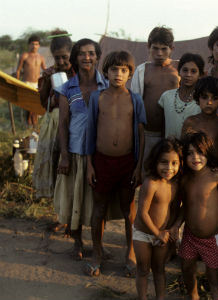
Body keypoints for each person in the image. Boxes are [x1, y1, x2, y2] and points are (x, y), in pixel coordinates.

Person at [85, 51, 146, 277]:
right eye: (113, 69)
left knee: (129, 211)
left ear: (130, 74)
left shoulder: (135, 99)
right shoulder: (97, 98)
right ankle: (97, 253)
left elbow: (141, 134)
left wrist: (139, 166)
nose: (118, 74)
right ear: (106, 72)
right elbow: (90, 132)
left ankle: (130, 253)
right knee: (98, 208)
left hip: (127, 162)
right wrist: (89, 165)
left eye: (123, 70)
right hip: (101, 161)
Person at [53, 39, 108, 260]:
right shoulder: (67, 88)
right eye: (82, 54)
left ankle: (98, 245)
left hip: (100, 153)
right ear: (75, 57)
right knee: (74, 199)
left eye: (91, 53)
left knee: (99, 203)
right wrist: (64, 156)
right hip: (75, 153)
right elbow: (63, 124)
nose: (87, 57)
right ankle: (77, 241)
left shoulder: (107, 85)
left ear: (97, 57)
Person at [177, 132, 218, 300]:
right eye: (189, 153)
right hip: (189, 236)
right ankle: (193, 296)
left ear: (208, 153)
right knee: (187, 270)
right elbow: (185, 207)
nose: (195, 157)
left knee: (214, 279)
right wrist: (175, 226)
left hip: (212, 239)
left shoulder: (215, 176)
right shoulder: (185, 179)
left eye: (200, 152)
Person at [182, 76, 218, 262]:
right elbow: (184, 149)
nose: (209, 102)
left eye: (214, 98)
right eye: (204, 97)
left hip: (216, 175)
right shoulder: (190, 122)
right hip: (194, 174)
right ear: (198, 99)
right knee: (192, 205)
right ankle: (190, 241)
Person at [33, 30, 74, 233]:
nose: (60, 61)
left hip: (71, 124)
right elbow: (42, 103)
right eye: (57, 58)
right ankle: (60, 215)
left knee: (68, 169)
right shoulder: (49, 73)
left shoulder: (78, 73)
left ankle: (69, 216)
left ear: (71, 55)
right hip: (52, 122)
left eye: (64, 57)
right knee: (56, 168)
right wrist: (47, 82)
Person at [133, 138, 182, 300]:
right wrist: (157, 233)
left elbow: (176, 210)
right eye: (163, 162)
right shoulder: (150, 183)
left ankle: (160, 298)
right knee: (143, 269)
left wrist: (172, 228)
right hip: (143, 233)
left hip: (163, 235)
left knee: (159, 269)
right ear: (155, 162)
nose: (169, 168)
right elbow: (142, 213)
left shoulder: (175, 184)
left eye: (174, 163)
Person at [131, 26, 180, 175]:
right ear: (148, 46)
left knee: (171, 176)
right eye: (155, 48)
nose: (159, 53)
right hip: (147, 134)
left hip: (173, 135)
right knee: (147, 173)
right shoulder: (142, 70)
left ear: (172, 48)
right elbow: (134, 102)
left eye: (164, 49)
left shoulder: (180, 69)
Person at [158, 53, 204, 139]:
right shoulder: (167, 96)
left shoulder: (202, 101)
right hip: (170, 149)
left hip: (191, 150)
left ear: (200, 75)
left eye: (193, 71)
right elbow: (162, 128)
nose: (188, 75)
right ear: (179, 71)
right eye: (185, 70)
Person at [16, 34, 46, 127]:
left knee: (36, 105)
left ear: (39, 46)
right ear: (29, 45)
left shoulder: (41, 57)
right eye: (32, 44)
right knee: (29, 106)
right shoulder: (25, 56)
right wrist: (16, 84)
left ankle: (35, 126)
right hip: (27, 83)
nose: (34, 46)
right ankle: (28, 124)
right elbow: (18, 70)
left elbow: (45, 70)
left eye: (36, 44)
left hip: (37, 84)